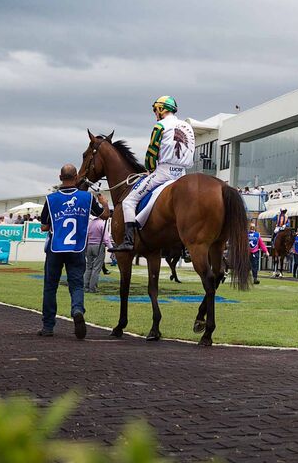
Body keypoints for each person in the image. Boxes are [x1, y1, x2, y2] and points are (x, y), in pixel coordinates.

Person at [114, 96, 194, 252]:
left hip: (164, 172)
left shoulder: (160, 125)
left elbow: (152, 152)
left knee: (128, 201)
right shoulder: (188, 126)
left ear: (161, 109)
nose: (155, 113)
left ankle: (128, 240)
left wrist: (149, 168)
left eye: (155, 110)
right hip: (183, 174)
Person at [38, 164, 109, 338]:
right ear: (76, 177)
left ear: (60, 177)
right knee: (76, 285)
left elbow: (44, 226)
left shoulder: (50, 199)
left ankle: (48, 326)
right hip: (77, 248)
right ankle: (77, 310)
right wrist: (105, 204)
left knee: (50, 287)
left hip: (56, 248)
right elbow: (105, 216)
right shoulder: (87, 197)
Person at [83, 209, 112, 294]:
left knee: (89, 267)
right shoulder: (101, 224)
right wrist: (111, 249)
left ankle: (86, 287)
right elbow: (106, 239)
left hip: (89, 246)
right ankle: (93, 288)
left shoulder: (90, 223)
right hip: (99, 246)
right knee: (96, 268)